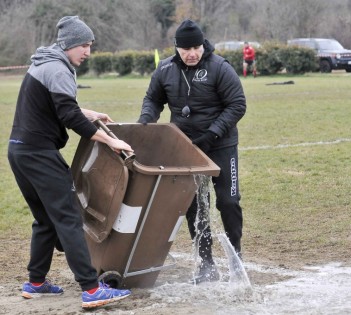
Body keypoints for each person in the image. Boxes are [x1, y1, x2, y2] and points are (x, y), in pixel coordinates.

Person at [8, 16, 133, 309]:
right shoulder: (58, 68)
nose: (87, 51)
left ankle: (36, 283)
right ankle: (91, 290)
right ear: (68, 44)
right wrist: (112, 141)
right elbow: (68, 116)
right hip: (38, 154)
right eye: (84, 45)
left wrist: (91, 113)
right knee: (68, 218)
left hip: (19, 152)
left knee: (46, 220)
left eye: (90, 45)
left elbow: (59, 106)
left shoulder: (43, 63)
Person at [138, 19, 246, 284]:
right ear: (176, 48)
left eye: (196, 47)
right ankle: (206, 262)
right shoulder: (165, 69)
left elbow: (237, 104)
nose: (192, 54)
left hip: (220, 145)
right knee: (195, 205)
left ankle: (237, 257)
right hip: (185, 147)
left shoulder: (219, 67)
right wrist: (145, 121)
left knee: (228, 202)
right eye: (186, 49)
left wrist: (212, 134)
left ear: (203, 45)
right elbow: (153, 99)